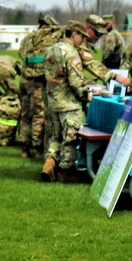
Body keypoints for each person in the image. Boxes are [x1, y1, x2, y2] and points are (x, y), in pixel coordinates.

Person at [41, 20, 91, 183]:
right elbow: (76, 82)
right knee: (70, 137)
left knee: (56, 136)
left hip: (53, 101)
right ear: (74, 34)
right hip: (69, 103)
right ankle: (65, 171)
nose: (83, 41)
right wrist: (88, 95)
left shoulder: (51, 50)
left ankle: (49, 165)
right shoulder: (71, 53)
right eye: (82, 37)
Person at [17, 14, 63, 158]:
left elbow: (21, 53)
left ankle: (24, 148)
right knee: (38, 115)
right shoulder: (50, 40)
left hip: (25, 79)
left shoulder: (28, 38)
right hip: (38, 81)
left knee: (25, 114)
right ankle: (38, 149)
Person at [82, 14, 131, 90]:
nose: (98, 37)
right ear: (87, 27)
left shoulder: (112, 34)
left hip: (112, 65)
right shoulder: (77, 44)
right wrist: (115, 76)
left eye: (101, 34)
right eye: (97, 33)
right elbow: (91, 63)